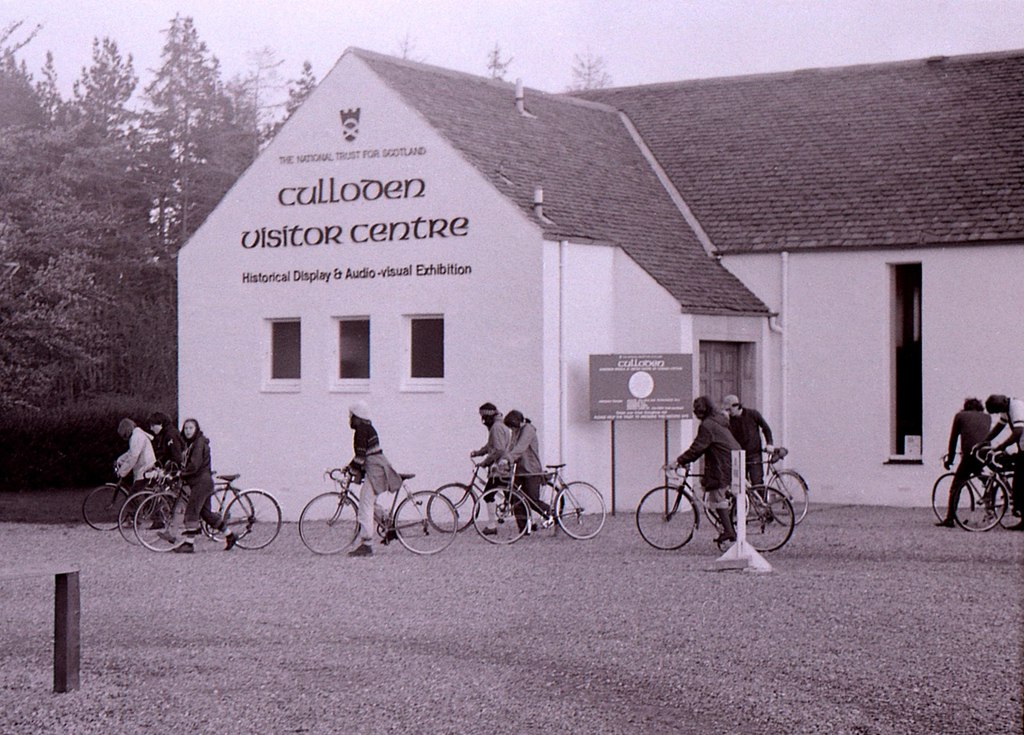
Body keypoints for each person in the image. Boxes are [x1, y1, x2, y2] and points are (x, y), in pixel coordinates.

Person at [677, 395, 741, 547]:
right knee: (717, 495)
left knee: (718, 497)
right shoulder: (718, 420)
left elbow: (697, 448)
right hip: (732, 458)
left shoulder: (707, 425)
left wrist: (679, 461)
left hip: (724, 463)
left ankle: (729, 531)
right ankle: (728, 525)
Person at [164, 418, 236, 553]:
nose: (188, 431)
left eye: (191, 428)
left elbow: (195, 465)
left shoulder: (198, 443)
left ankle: (189, 544)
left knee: (192, 510)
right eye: (186, 428)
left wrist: (181, 473)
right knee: (206, 514)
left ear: (196, 429)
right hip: (202, 482)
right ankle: (230, 535)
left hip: (201, 483)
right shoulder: (192, 443)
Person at [345, 401, 403, 557]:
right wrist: (351, 467)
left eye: (352, 416)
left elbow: (361, 456)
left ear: (357, 416)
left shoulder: (361, 431)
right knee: (370, 502)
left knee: (365, 504)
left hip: (375, 469)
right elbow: (362, 456)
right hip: (377, 467)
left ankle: (367, 544)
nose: (350, 419)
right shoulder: (367, 428)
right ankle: (389, 525)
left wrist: (350, 469)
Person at [935, 397, 991, 527]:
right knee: (983, 477)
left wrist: (950, 460)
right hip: (985, 453)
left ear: (966, 407)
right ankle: (991, 500)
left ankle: (950, 518)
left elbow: (953, 439)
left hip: (970, 454)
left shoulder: (960, 416)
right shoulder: (987, 417)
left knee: (957, 485)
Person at [976, 394, 1024, 531]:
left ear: (1003, 402)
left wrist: (1000, 447)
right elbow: (999, 426)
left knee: (1020, 481)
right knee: (1019, 481)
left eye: (998, 410)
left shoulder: (1017, 407)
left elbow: (1018, 431)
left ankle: (1020, 511)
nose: (999, 413)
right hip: (1022, 448)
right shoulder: (1006, 407)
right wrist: (983, 442)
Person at [503, 409, 550, 531]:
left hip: (531, 470)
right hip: (519, 470)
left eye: (512, 427)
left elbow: (520, 447)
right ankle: (524, 528)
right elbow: (511, 447)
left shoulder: (528, 429)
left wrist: (507, 458)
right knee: (516, 500)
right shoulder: (517, 431)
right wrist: (503, 459)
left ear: (517, 423)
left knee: (532, 500)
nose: (512, 430)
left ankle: (553, 514)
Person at [469, 402, 512, 536]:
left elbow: (498, 450)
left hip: (500, 468)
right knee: (509, 495)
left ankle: (492, 525)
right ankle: (527, 523)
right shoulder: (499, 426)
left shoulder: (496, 427)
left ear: (487, 416)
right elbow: (490, 446)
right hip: (502, 466)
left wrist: (485, 462)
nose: (482, 420)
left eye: (483, 417)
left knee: (488, 494)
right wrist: (478, 453)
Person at [722, 394, 774, 487]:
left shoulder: (753, 414)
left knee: (757, 482)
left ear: (737, 406)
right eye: (726, 410)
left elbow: (766, 428)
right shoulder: (728, 420)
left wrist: (769, 443)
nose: (728, 412)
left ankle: (760, 501)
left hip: (754, 454)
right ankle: (745, 501)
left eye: (729, 409)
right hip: (738, 455)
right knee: (739, 484)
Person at [114, 418, 157, 494]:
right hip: (146, 469)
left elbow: (133, 457)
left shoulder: (136, 437)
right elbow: (131, 453)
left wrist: (122, 472)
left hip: (145, 470)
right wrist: (120, 460)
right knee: (143, 495)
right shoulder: (137, 435)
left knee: (133, 495)